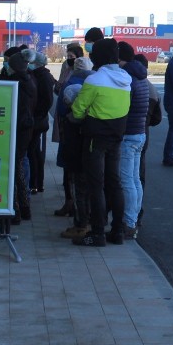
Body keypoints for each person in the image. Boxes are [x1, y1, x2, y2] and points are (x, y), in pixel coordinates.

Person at [69, 38, 132, 247]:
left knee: (95, 186)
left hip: (94, 139)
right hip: (116, 137)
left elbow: (78, 110)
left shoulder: (95, 80)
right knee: (114, 184)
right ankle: (117, 231)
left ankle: (97, 234)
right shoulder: (126, 80)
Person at [56, 56, 94, 239]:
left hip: (77, 160)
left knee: (80, 190)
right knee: (92, 189)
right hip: (91, 155)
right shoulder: (94, 87)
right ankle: (90, 222)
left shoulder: (71, 120)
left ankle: (81, 225)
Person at [117, 42, 149, 239]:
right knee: (135, 179)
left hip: (128, 135)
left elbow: (123, 107)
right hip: (139, 133)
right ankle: (134, 219)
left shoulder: (127, 79)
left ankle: (128, 223)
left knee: (127, 181)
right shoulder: (142, 76)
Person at [0, 50, 37, 222]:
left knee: (13, 169)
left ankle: (14, 210)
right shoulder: (28, 81)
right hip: (25, 130)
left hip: (15, 129)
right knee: (19, 168)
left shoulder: (14, 84)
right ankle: (25, 206)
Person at [134, 54, 161, 227]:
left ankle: (129, 214)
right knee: (139, 176)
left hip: (130, 133)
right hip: (144, 135)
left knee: (127, 176)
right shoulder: (152, 88)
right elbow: (157, 119)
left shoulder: (130, 84)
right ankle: (138, 212)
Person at [26, 50, 56, 194]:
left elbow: (47, 101)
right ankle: (36, 183)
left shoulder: (42, 77)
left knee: (33, 152)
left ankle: (36, 183)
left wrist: (36, 114)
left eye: (30, 63)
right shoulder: (39, 74)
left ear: (36, 63)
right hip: (37, 120)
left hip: (37, 121)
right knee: (35, 151)